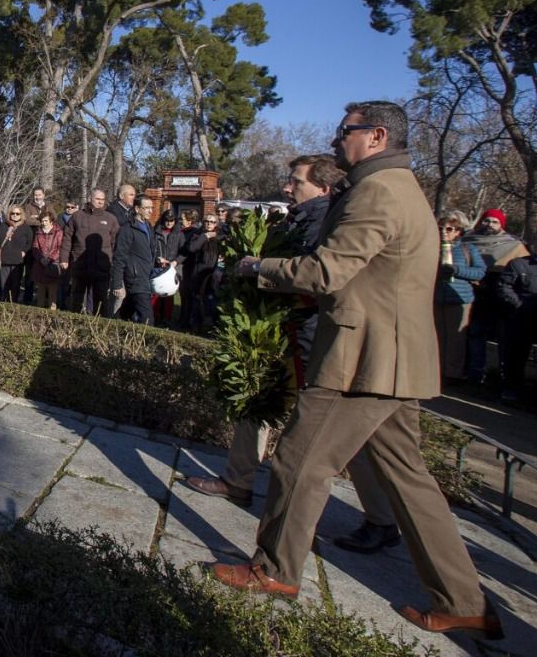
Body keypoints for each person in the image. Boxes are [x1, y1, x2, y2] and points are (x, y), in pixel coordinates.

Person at [211, 101, 503, 640]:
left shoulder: (377, 190)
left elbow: (327, 270)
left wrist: (258, 267)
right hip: (392, 359)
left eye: (345, 131)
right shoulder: (396, 186)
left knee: (299, 461)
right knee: (409, 481)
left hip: (361, 359)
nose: (336, 139)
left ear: (376, 136)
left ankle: (274, 570)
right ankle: (463, 598)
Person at [188, 154, 400, 554]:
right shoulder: (302, 217)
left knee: (341, 430)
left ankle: (379, 518)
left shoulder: (330, 220)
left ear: (322, 187)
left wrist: (259, 270)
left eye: (295, 182)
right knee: (258, 402)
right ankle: (239, 480)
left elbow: (318, 276)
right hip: (283, 328)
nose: (287, 187)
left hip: (313, 335)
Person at [463, 208, 528, 385]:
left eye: (495, 221)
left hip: (500, 295)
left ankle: (503, 377)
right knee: (475, 333)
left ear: (501, 225)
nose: (490, 224)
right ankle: (475, 373)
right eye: (487, 220)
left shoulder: (514, 245)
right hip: (473, 293)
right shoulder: (468, 241)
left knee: (503, 337)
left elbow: (523, 269)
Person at [497, 228, 537, 404]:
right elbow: (504, 287)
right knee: (516, 356)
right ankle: (512, 390)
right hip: (522, 318)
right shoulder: (519, 264)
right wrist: (519, 306)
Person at [434, 211, 485, 381]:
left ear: (458, 231)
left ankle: (452, 373)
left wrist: (457, 270)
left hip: (459, 299)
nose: (443, 232)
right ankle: (436, 371)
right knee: (436, 336)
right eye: (441, 228)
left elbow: (479, 272)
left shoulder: (467, 249)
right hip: (435, 298)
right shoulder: (431, 246)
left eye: (448, 229)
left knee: (456, 339)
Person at [59, 189, 120, 316]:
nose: (100, 202)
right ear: (90, 198)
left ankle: (100, 326)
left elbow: (115, 242)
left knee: (101, 298)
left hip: (102, 266)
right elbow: (67, 238)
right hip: (80, 263)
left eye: (103, 199)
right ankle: (74, 323)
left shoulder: (110, 219)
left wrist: (113, 261)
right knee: (76, 296)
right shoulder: (77, 216)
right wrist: (64, 258)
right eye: (98, 199)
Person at [109, 196, 158, 324]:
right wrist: (118, 284)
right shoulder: (127, 229)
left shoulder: (148, 227)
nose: (150, 211)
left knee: (126, 313)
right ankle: (145, 343)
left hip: (146, 277)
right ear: (137, 209)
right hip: (135, 279)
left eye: (151, 208)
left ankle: (115, 330)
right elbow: (119, 257)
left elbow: (147, 252)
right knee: (147, 319)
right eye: (146, 208)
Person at [182, 211, 221, 332]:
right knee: (196, 299)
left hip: (213, 273)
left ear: (216, 224)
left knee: (212, 300)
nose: (209, 224)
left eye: (212, 222)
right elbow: (192, 248)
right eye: (207, 221)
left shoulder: (220, 237)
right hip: (198, 272)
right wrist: (205, 236)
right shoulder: (197, 235)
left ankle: (213, 326)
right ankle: (195, 325)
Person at [0, 205, 33, 301]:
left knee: (15, 285)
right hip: (4, 259)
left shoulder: (26, 228)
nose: (15, 215)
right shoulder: (3, 225)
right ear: (9, 214)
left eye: (17, 213)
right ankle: (2, 303)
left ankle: (13, 304)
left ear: (21, 215)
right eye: (13, 213)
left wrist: (24, 252)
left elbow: (30, 242)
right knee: (3, 285)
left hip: (17, 261)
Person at [152, 209, 185, 326]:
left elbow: (184, 252)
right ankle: (154, 317)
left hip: (171, 268)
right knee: (155, 293)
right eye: (167, 220)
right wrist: (157, 258)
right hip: (157, 267)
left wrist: (175, 262)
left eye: (172, 220)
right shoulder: (155, 232)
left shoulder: (179, 234)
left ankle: (167, 318)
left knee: (169, 294)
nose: (169, 223)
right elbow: (150, 248)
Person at [30, 209, 63, 310]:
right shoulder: (38, 232)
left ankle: (52, 316)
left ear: (51, 221)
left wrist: (49, 258)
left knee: (52, 294)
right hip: (40, 265)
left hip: (53, 264)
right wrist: (40, 259)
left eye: (46, 221)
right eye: (42, 221)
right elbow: (35, 247)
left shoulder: (58, 232)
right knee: (40, 293)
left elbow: (59, 248)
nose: (44, 223)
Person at [176, 209, 201, 329]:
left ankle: (186, 320)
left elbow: (188, 250)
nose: (180, 221)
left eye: (183, 219)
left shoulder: (194, 233)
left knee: (187, 295)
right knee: (183, 295)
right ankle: (182, 318)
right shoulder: (183, 231)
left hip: (189, 267)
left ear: (190, 220)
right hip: (184, 266)